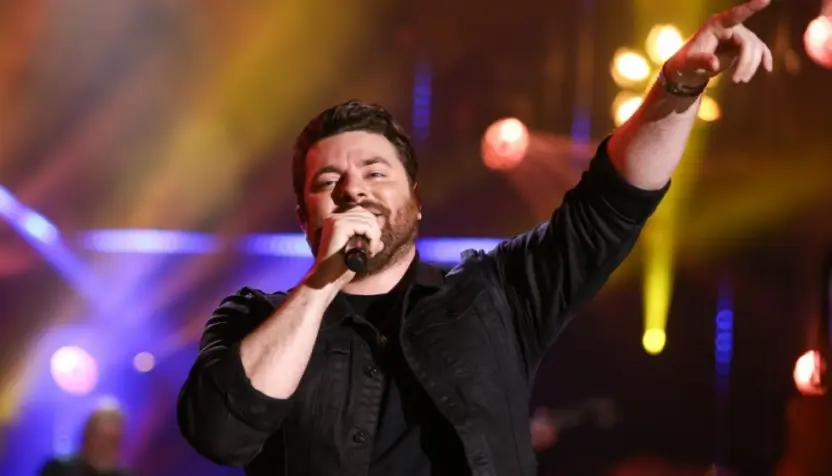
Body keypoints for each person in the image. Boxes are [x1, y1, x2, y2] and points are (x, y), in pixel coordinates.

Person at [177, 1, 774, 474]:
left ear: (416, 201)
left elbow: (609, 206)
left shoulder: (495, 296)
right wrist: (320, 285)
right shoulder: (252, 319)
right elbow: (222, 434)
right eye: (328, 182)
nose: (354, 191)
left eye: (375, 173)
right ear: (305, 217)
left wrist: (678, 85)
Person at [39, 402, 131, 476]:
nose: (102, 447)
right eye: (98, 438)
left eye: (110, 440)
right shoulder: (58, 469)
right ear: (86, 435)